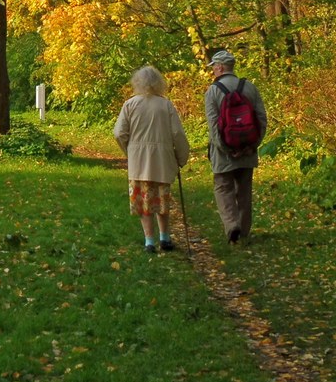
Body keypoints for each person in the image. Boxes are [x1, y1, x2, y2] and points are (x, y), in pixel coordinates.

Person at [113, 65, 191, 254]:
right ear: (158, 83)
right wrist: (181, 158)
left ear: (137, 83)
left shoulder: (130, 105)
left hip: (138, 164)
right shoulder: (166, 105)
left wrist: (129, 152)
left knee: (144, 202)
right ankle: (164, 237)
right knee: (161, 201)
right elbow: (177, 134)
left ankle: (149, 241)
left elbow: (119, 133)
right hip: (163, 161)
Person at [203, 48, 268, 245]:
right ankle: (245, 232)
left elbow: (213, 126)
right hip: (247, 149)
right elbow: (261, 119)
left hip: (224, 153)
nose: (213, 70)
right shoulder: (249, 87)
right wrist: (253, 145)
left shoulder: (213, 91)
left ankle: (232, 226)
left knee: (223, 188)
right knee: (244, 190)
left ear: (220, 67)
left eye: (214, 66)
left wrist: (225, 149)